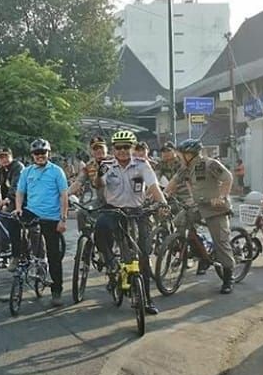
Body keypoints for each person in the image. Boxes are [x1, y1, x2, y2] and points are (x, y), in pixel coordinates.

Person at [93, 130, 167, 314]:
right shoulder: (107, 164)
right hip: (114, 209)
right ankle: (111, 262)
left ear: (133, 148)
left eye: (127, 147)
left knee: (143, 254)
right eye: (119, 147)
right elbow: (98, 184)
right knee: (99, 229)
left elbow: (153, 186)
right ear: (113, 149)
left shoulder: (142, 165)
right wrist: (99, 174)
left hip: (137, 211)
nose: (123, 151)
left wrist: (163, 203)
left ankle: (147, 300)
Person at [165, 139, 236, 293]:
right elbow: (173, 183)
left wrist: (222, 197)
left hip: (216, 207)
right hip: (199, 205)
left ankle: (228, 277)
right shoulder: (185, 168)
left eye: (180, 154)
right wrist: (163, 197)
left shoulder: (209, 164)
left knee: (221, 242)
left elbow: (228, 178)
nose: (178, 157)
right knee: (180, 221)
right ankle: (201, 253)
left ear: (189, 154)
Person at [13, 139, 68, 307]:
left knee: (54, 255)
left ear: (48, 154)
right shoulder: (27, 172)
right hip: (32, 212)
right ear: (32, 156)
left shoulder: (57, 171)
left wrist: (63, 219)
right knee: (13, 222)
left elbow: (64, 195)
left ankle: (57, 291)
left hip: (51, 217)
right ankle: (18, 256)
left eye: (43, 153)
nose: (40, 156)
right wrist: (18, 208)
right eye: (37, 154)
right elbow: (20, 192)